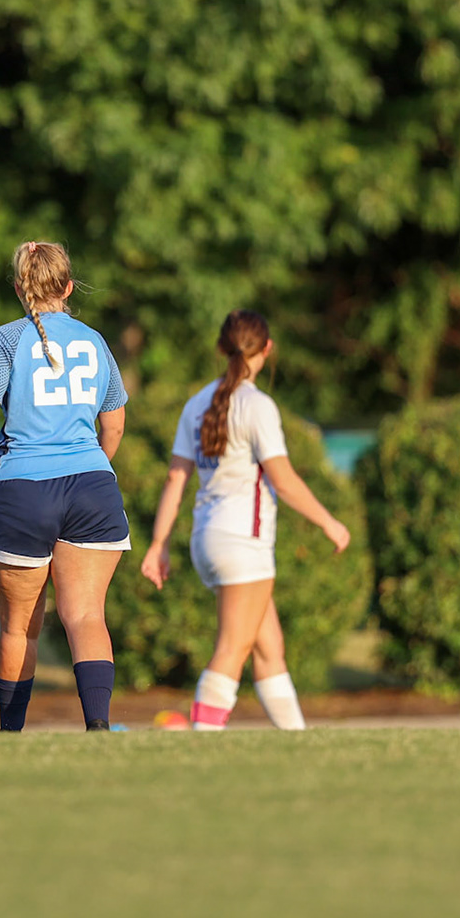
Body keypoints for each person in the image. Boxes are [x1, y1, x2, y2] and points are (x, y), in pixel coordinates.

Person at [0, 240, 130, 732]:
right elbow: (115, 425)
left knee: (20, 625)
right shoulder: (94, 339)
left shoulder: (4, 339)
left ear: (21, 288)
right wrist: (89, 469)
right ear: (68, 287)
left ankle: (11, 733)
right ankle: (99, 729)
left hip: (23, 489)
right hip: (92, 487)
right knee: (86, 616)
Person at [139, 310, 352, 731]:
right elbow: (284, 480)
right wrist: (329, 522)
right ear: (267, 350)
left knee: (269, 647)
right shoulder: (257, 405)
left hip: (207, 539)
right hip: (243, 540)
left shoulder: (197, 403)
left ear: (222, 349)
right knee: (233, 649)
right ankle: (205, 738)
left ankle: (297, 740)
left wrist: (159, 542)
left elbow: (175, 477)